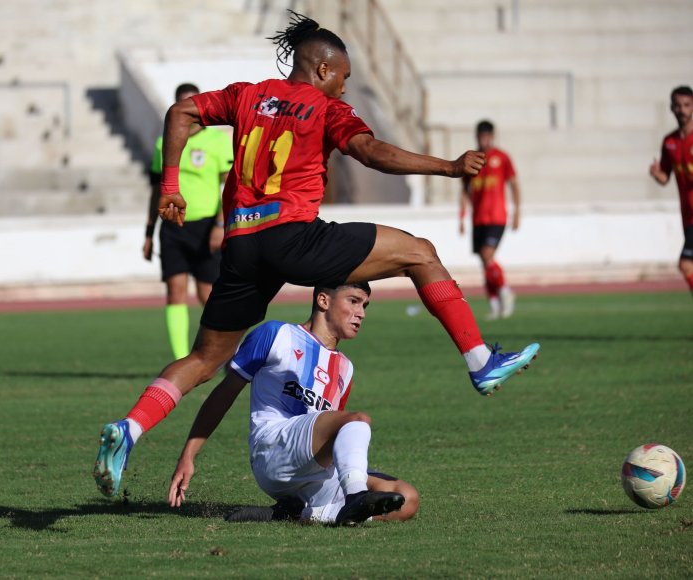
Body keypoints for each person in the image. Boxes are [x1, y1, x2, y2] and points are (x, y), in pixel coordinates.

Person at [94, 11, 540, 498]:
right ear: (324, 70)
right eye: (344, 79)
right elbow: (370, 152)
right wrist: (447, 167)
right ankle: (479, 361)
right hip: (294, 238)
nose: (345, 90)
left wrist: (172, 185)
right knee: (420, 253)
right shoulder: (325, 109)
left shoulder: (246, 94)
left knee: (202, 359)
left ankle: (129, 429)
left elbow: (181, 113)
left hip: (242, 244)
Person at [167, 282, 420, 526]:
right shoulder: (276, 334)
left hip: (314, 468)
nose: (361, 314)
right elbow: (224, 394)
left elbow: (333, 430)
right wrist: (188, 455)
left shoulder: (346, 367)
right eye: (353, 301)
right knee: (356, 420)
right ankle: (355, 498)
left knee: (406, 498)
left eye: (365, 305)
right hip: (273, 452)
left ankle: (300, 514)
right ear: (323, 300)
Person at [144, 83, 233, 359]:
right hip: (172, 226)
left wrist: (220, 226)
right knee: (175, 291)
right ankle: (181, 359)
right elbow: (157, 188)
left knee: (208, 294)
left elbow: (227, 187)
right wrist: (148, 231)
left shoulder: (217, 141)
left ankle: (222, 352)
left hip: (206, 226)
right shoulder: (165, 141)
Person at [459, 120, 520, 319]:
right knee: (484, 263)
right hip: (478, 219)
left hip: (496, 216)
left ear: (492, 136)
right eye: (480, 136)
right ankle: (494, 305)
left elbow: (513, 184)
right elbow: (464, 189)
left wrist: (517, 211)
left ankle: (505, 292)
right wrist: (462, 216)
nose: (483, 140)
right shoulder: (472, 159)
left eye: (486, 136)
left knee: (487, 255)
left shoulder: (501, 158)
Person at [649, 85, 693, 294]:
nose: (682, 110)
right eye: (678, 105)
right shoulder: (670, 142)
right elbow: (665, 177)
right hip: (687, 215)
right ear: (671, 108)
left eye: (686, 105)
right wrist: (657, 174)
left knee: (686, 264)